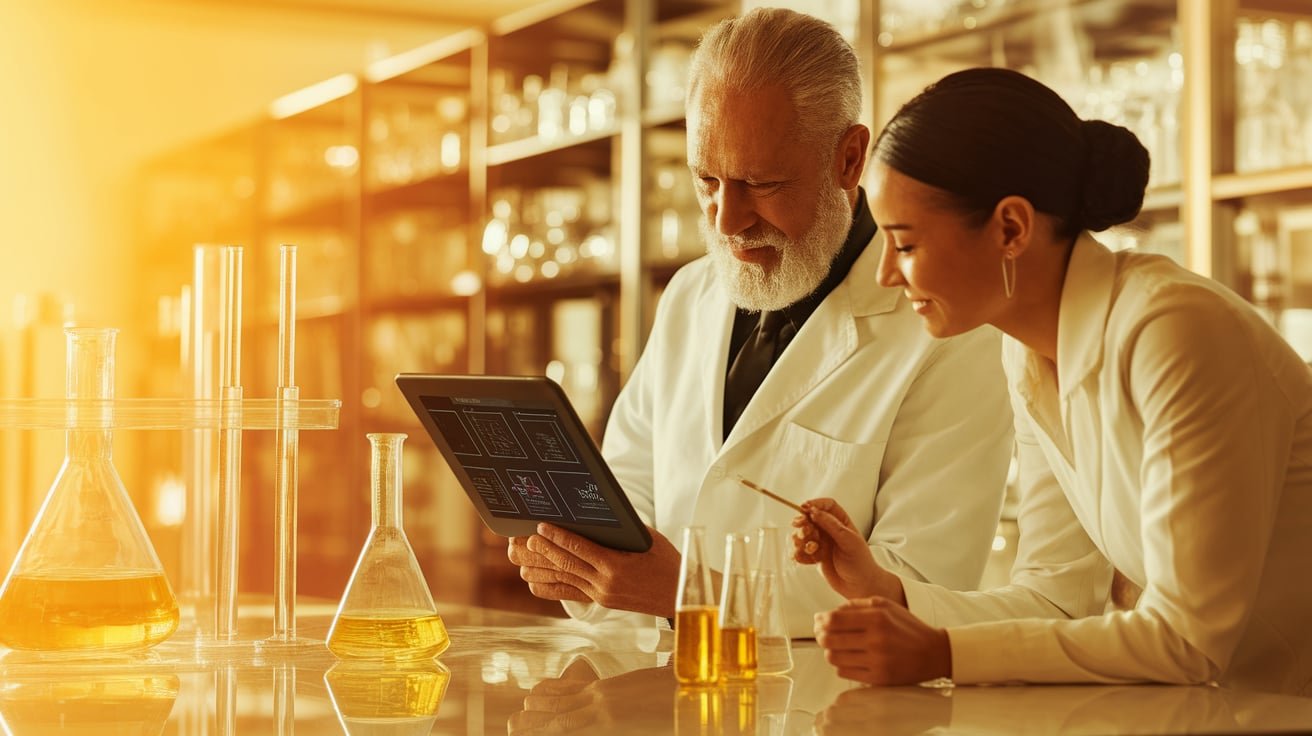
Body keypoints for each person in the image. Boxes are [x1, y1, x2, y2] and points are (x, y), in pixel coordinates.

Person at [798, 66, 1312, 695]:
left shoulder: (1174, 331)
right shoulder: (1028, 354)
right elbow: (1057, 600)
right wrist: (886, 591)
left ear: (1011, 227)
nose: (885, 274)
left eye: (904, 244)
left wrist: (944, 653)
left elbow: (1185, 640)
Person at [508, 8, 1014, 636]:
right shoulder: (691, 294)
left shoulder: (949, 330)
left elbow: (928, 583)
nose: (726, 220)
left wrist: (694, 593)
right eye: (707, 180)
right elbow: (628, 490)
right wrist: (578, 557)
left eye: (762, 183)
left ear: (850, 160)